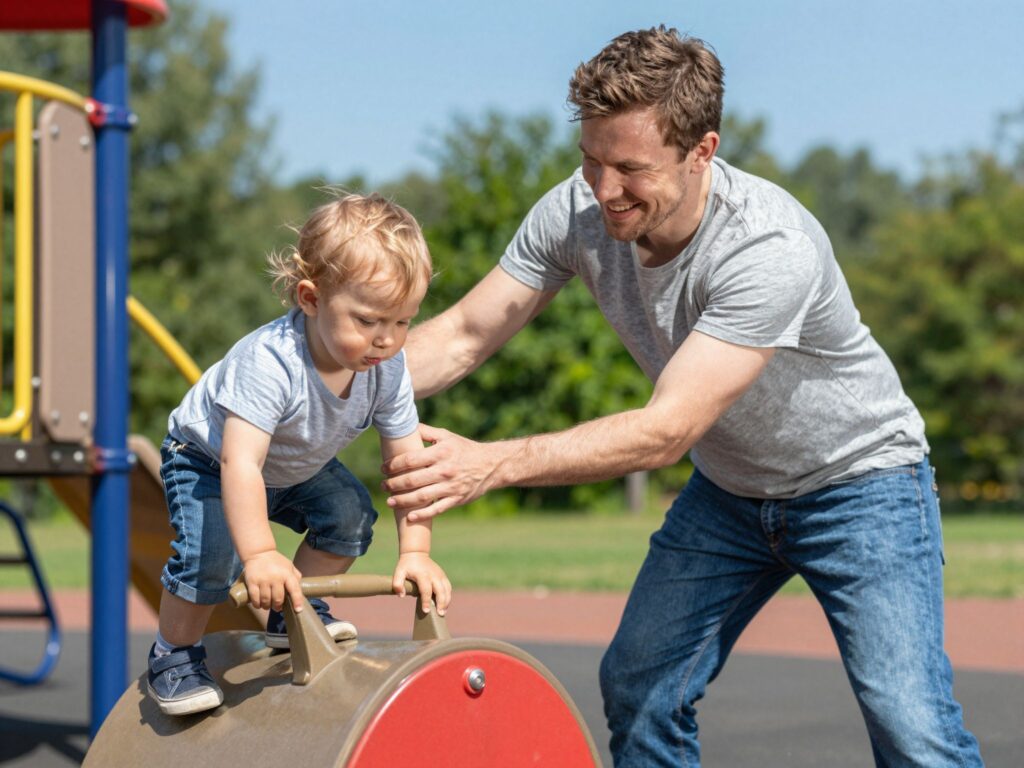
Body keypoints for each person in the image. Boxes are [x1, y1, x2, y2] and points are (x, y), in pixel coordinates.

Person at [381, 26, 983, 768]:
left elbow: (666, 430)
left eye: (631, 169)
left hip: (860, 483)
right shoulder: (574, 211)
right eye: (591, 159)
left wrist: (491, 463)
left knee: (911, 726)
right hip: (731, 492)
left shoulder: (767, 246)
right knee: (640, 688)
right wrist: (317, 383)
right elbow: (464, 335)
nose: (604, 189)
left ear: (702, 151)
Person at [146, 192, 452, 717]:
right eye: (368, 321)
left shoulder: (387, 370)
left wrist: (417, 552)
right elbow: (241, 463)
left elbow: (408, 467)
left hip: (294, 467)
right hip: (209, 462)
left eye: (402, 322)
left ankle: (292, 613)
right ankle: (172, 654)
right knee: (210, 557)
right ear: (311, 299)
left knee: (349, 515)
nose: (386, 340)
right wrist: (260, 556)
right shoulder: (271, 363)